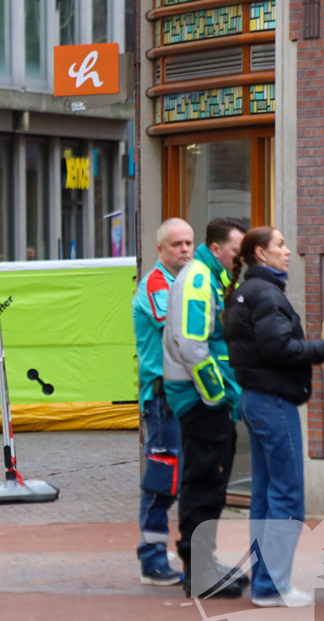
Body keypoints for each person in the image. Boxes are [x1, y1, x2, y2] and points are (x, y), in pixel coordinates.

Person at [222, 227, 324, 608]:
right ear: (260, 254)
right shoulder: (267, 293)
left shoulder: (246, 291)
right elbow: (279, 348)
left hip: (254, 400)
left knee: (264, 499)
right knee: (287, 497)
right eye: (281, 246)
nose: (288, 252)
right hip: (273, 402)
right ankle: (272, 586)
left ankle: (266, 582)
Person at [162, 217, 248, 599]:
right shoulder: (199, 280)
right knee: (205, 481)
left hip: (200, 397)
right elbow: (193, 344)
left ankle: (203, 564)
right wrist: (216, 396)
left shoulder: (207, 276)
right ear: (217, 250)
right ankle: (199, 571)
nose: (240, 259)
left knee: (209, 481)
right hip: (199, 399)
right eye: (236, 251)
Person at [132, 218, 194, 586]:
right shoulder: (158, 284)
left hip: (179, 398)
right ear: (161, 250)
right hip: (162, 400)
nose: (184, 250)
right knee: (162, 479)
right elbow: (179, 328)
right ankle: (151, 559)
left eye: (188, 243)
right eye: (176, 244)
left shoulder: (183, 284)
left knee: (179, 478)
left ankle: (167, 553)